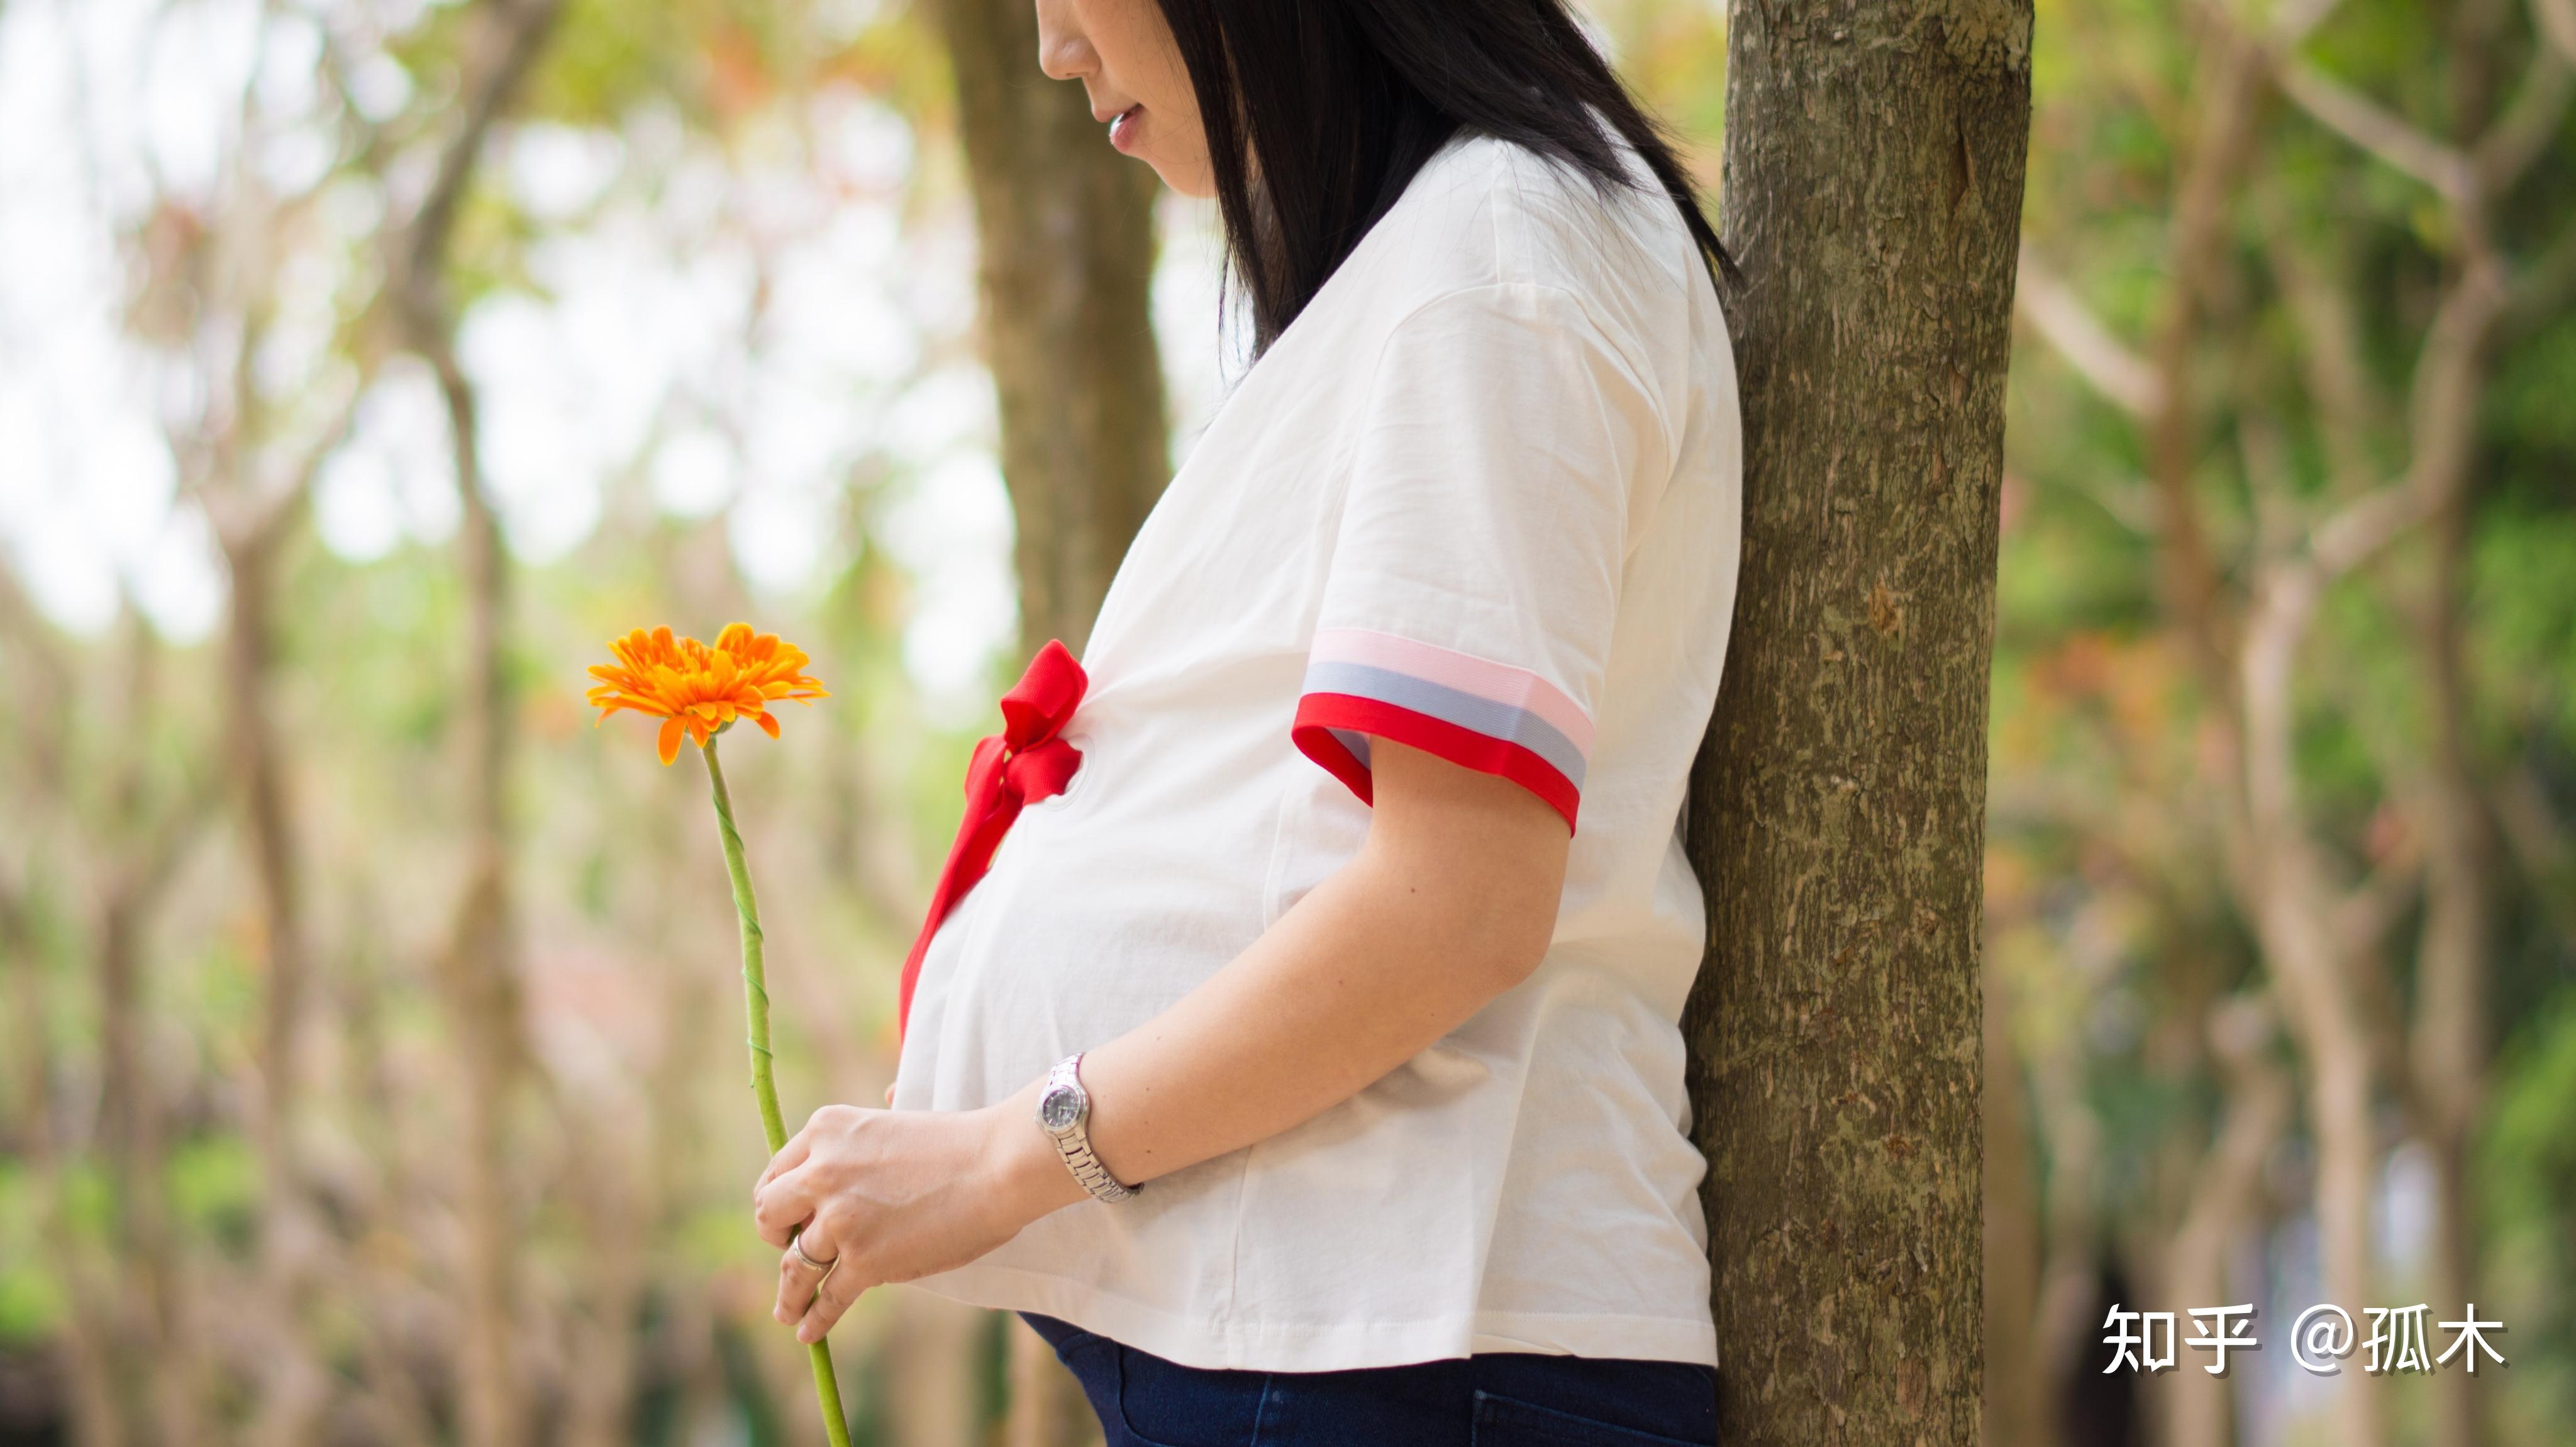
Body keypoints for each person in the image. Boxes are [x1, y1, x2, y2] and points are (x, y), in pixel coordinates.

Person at [750, 0, 1743, 1440]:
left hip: (1398, 1341)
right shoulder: (1448, 255)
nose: (1052, 49)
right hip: (1351, 1338)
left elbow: (1454, 904)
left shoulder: (1496, 258)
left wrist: (996, 1160)